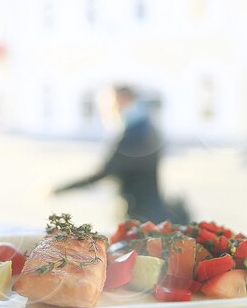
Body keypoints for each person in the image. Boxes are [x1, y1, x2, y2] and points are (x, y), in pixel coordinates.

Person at [53, 85, 188, 224]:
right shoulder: (143, 124)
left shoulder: (135, 131)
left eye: (108, 101)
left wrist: (60, 189)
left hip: (143, 216)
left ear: (123, 99)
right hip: (149, 211)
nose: (105, 108)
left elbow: (106, 170)